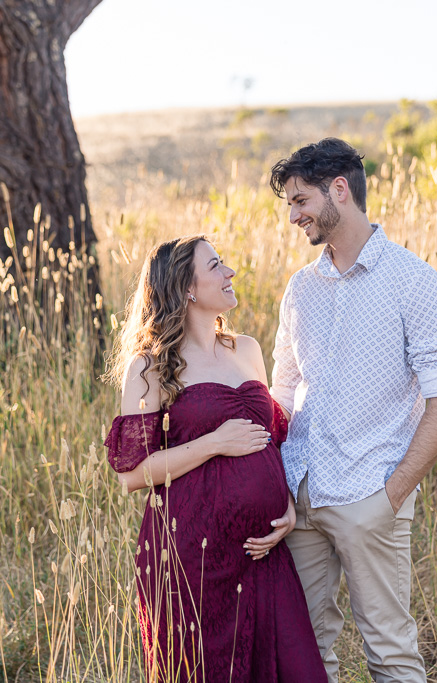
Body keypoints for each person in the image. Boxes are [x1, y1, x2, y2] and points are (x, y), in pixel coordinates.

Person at [266, 138, 437, 683]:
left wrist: (393, 495)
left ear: (339, 190)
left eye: (300, 200)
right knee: (303, 653)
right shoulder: (300, 288)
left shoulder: (413, 281)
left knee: (390, 652)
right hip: (301, 497)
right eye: (289, 204)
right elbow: (282, 392)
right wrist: (275, 481)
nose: (293, 216)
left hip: (370, 495)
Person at [104, 236, 326, 683]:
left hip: (263, 553)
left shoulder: (246, 349)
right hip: (191, 559)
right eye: (216, 265)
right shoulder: (149, 368)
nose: (230, 273)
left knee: (296, 669)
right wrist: (213, 443)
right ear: (187, 286)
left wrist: (283, 504)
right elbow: (132, 475)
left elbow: (269, 441)